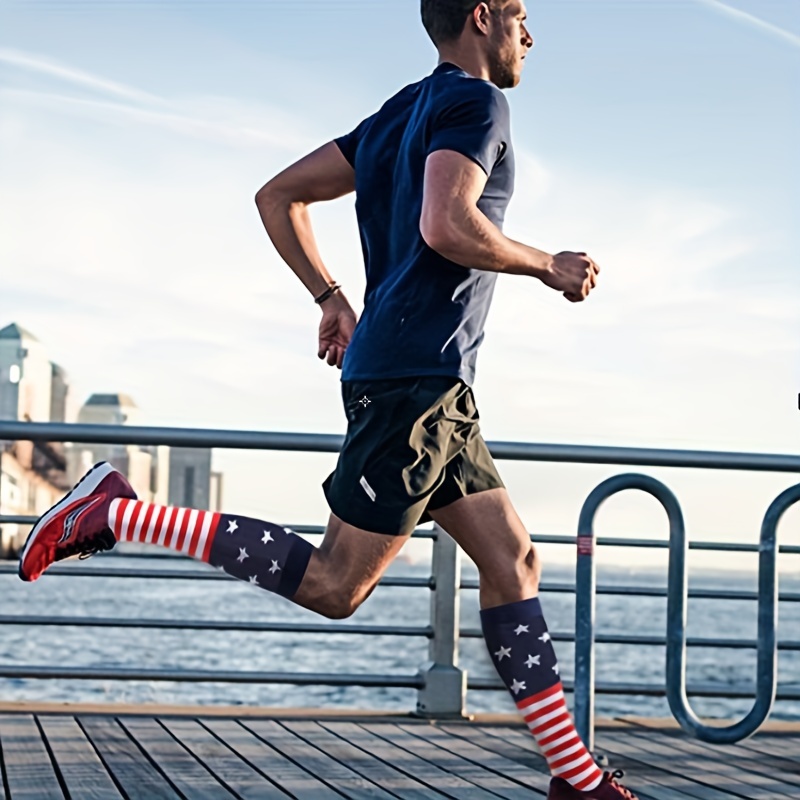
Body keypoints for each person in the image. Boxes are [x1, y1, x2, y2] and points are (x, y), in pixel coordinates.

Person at [18, 2, 638, 798]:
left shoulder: (396, 115)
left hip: (431, 386)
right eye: (520, 15)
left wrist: (330, 297)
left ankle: (574, 778)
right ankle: (117, 512)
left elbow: (277, 195)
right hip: (413, 383)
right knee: (335, 586)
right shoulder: (477, 103)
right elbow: (447, 223)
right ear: (481, 16)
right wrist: (546, 263)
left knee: (512, 558)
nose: (531, 35)